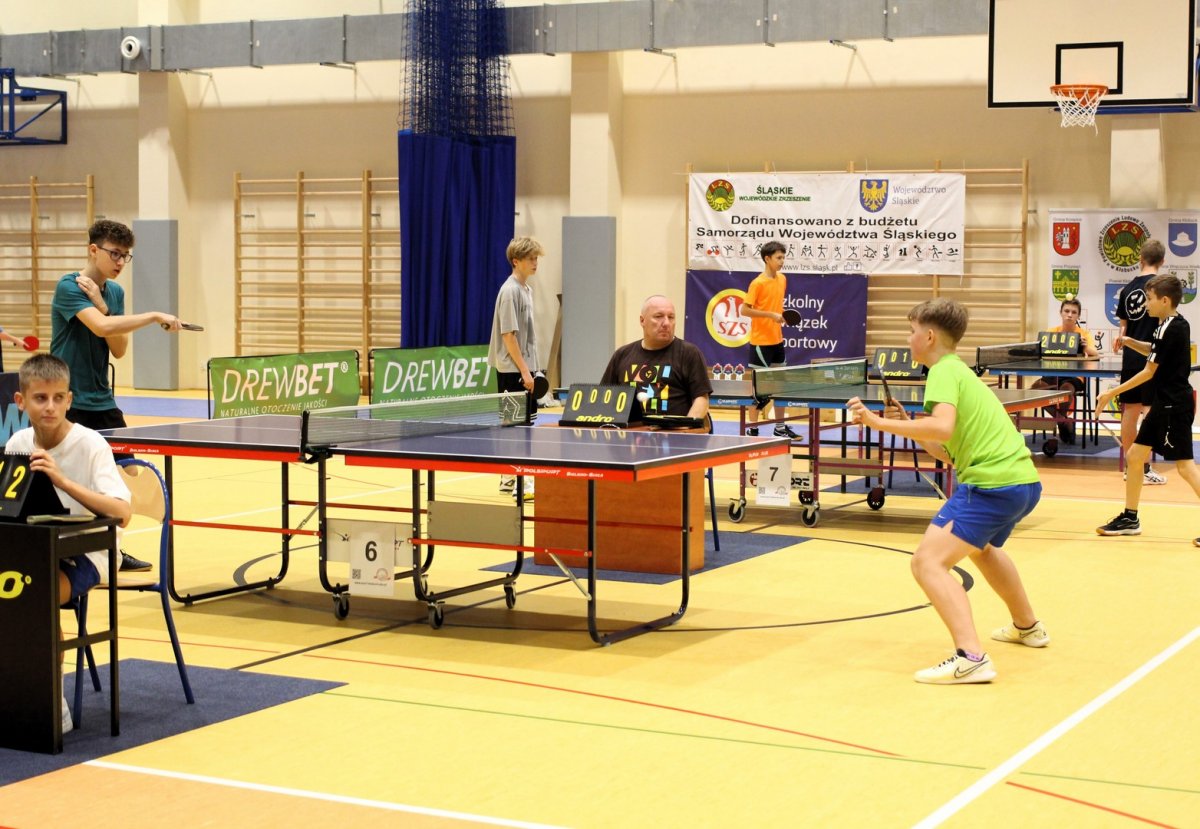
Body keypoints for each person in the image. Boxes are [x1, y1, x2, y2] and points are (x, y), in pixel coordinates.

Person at [847, 298, 1048, 684]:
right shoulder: (960, 372)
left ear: (929, 336)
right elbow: (946, 449)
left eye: (911, 331)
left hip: (991, 486)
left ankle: (971, 658)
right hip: (1022, 482)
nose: (908, 339)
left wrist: (877, 422)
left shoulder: (941, 372)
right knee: (982, 550)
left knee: (927, 563)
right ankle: (1028, 627)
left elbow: (940, 427)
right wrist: (906, 422)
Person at [7, 354, 132, 734]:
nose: (50, 406)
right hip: (37, 549)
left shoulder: (91, 444)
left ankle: (52, 701)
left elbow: (122, 513)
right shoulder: (18, 442)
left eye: (58, 398)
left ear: (69, 400)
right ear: (21, 402)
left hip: (90, 551)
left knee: (35, 599)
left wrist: (62, 481)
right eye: (40, 398)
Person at [51, 219, 186, 572]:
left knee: (126, 474)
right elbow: (100, 327)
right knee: (74, 481)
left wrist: (104, 304)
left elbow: (119, 347)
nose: (121, 262)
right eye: (115, 254)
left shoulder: (114, 293)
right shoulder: (69, 286)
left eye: (126, 256)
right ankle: (73, 552)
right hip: (68, 401)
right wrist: (153, 315)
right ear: (93, 249)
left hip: (102, 400)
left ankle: (111, 549)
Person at [1095, 274, 1200, 538]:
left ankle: (1130, 517)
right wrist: (1130, 341)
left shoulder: (1168, 327)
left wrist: (1111, 393)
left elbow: (1148, 371)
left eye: (1150, 299)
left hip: (1173, 406)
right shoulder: (1174, 324)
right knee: (1134, 457)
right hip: (1165, 403)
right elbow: (1155, 349)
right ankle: (1130, 518)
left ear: (1164, 300)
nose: (1145, 305)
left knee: (1185, 467)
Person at [487, 236, 544, 501]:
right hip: (513, 370)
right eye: (530, 258)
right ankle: (525, 482)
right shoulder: (510, 291)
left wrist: (534, 368)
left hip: (523, 367)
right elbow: (508, 335)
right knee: (520, 427)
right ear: (516, 261)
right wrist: (524, 371)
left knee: (517, 424)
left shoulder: (526, 290)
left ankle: (508, 477)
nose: (535, 262)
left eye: (536, 258)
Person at [600, 295, 712, 419]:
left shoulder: (689, 353)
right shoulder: (622, 355)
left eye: (671, 317)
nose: (666, 323)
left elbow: (701, 400)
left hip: (673, 430)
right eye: (658, 316)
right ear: (642, 320)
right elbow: (605, 397)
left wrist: (686, 427)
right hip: (628, 430)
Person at [1113, 239, 1168, 485]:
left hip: (1131, 358)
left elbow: (1122, 329)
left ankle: (1131, 467)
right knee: (1149, 412)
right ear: (1162, 261)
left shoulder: (1126, 290)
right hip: (1152, 357)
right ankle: (1143, 468)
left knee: (1130, 411)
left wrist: (1123, 341)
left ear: (1140, 259)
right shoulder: (1161, 288)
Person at [743, 241, 798, 438]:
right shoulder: (757, 283)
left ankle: (780, 427)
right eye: (778, 258)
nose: (782, 261)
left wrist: (781, 316)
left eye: (783, 257)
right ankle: (752, 428)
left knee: (780, 387)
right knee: (759, 390)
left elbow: (776, 306)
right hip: (760, 343)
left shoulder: (782, 279)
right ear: (767, 259)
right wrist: (769, 315)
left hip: (777, 340)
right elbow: (744, 310)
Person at [1031, 297, 1099, 444]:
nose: (1069, 315)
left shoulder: (1083, 334)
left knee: (1065, 390)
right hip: (1052, 373)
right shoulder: (1051, 332)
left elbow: (1095, 353)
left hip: (1074, 376)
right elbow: (1039, 352)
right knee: (1035, 389)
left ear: (1078, 316)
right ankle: (1064, 421)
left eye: (1074, 312)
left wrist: (1085, 347)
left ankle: (1061, 421)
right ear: (1060, 313)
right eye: (1066, 311)